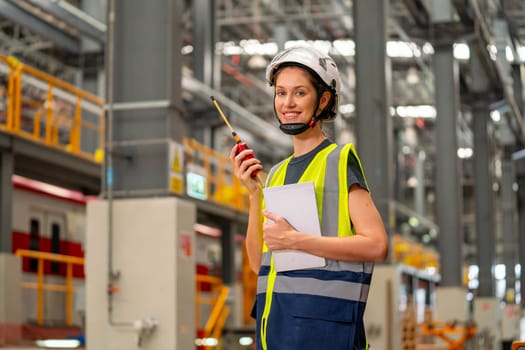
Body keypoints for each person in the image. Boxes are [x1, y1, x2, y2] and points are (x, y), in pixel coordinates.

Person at [229, 45, 388, 350]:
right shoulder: (276, 173)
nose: (287, 102)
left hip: (328, 337)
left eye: (299, 93)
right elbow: (257, 263)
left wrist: (295, 240)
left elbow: (377, 245)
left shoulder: (339, 161)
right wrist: (253, 195)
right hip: (279, 332)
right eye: (281, 93)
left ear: (323, 99)